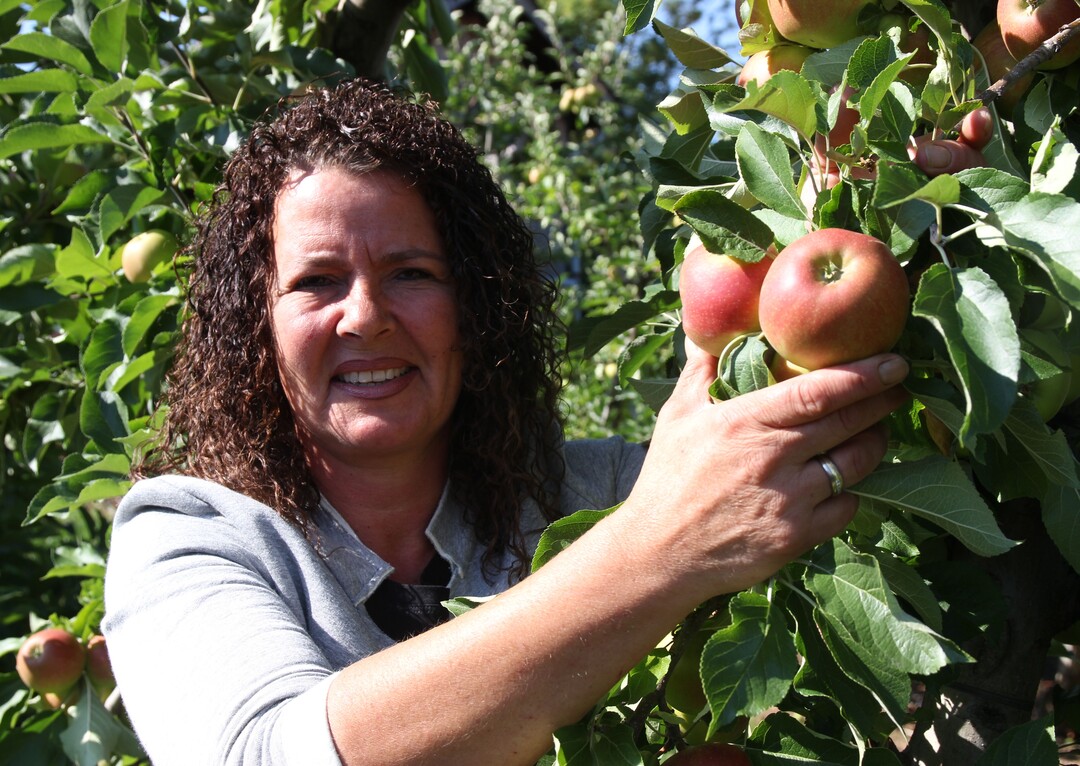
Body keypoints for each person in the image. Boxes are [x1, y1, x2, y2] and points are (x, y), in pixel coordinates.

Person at [102, 78, 971, 765]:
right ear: (257, 326)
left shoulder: (590, 491)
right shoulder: (188, 537)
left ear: (475, 307)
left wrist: (921, 238)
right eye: (315, 281)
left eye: (411, 272)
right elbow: (265, 756)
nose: (364, 317)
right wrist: (658, 551)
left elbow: (830, 470)